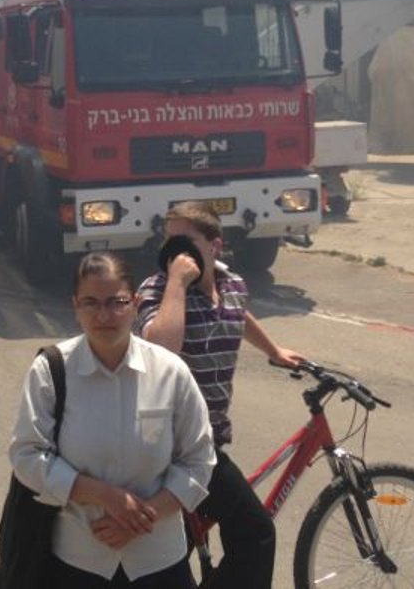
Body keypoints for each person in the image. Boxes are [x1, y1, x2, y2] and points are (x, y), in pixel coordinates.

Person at [9, 252, 215, 589]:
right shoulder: (52, 370)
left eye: (116, 302)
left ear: (135, 303)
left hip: (159, 561)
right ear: (75, 306)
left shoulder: (170, 372)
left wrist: (140, 518)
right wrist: (105, 496)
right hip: (79, 560)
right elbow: (27, 455)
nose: (104, 315)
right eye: (90, 302)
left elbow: (199, 459)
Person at [136, 202, 306, 589]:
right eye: (169, 241)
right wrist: (177, 282)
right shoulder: (157, 289)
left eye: (186, 242)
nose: (176, 252)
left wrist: (274, 350)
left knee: (183, 550)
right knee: (256, 533)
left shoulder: (233, 287)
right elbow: (162, 348)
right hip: (170, 448)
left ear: (215, 246)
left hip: (210, 441)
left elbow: (237, 313)